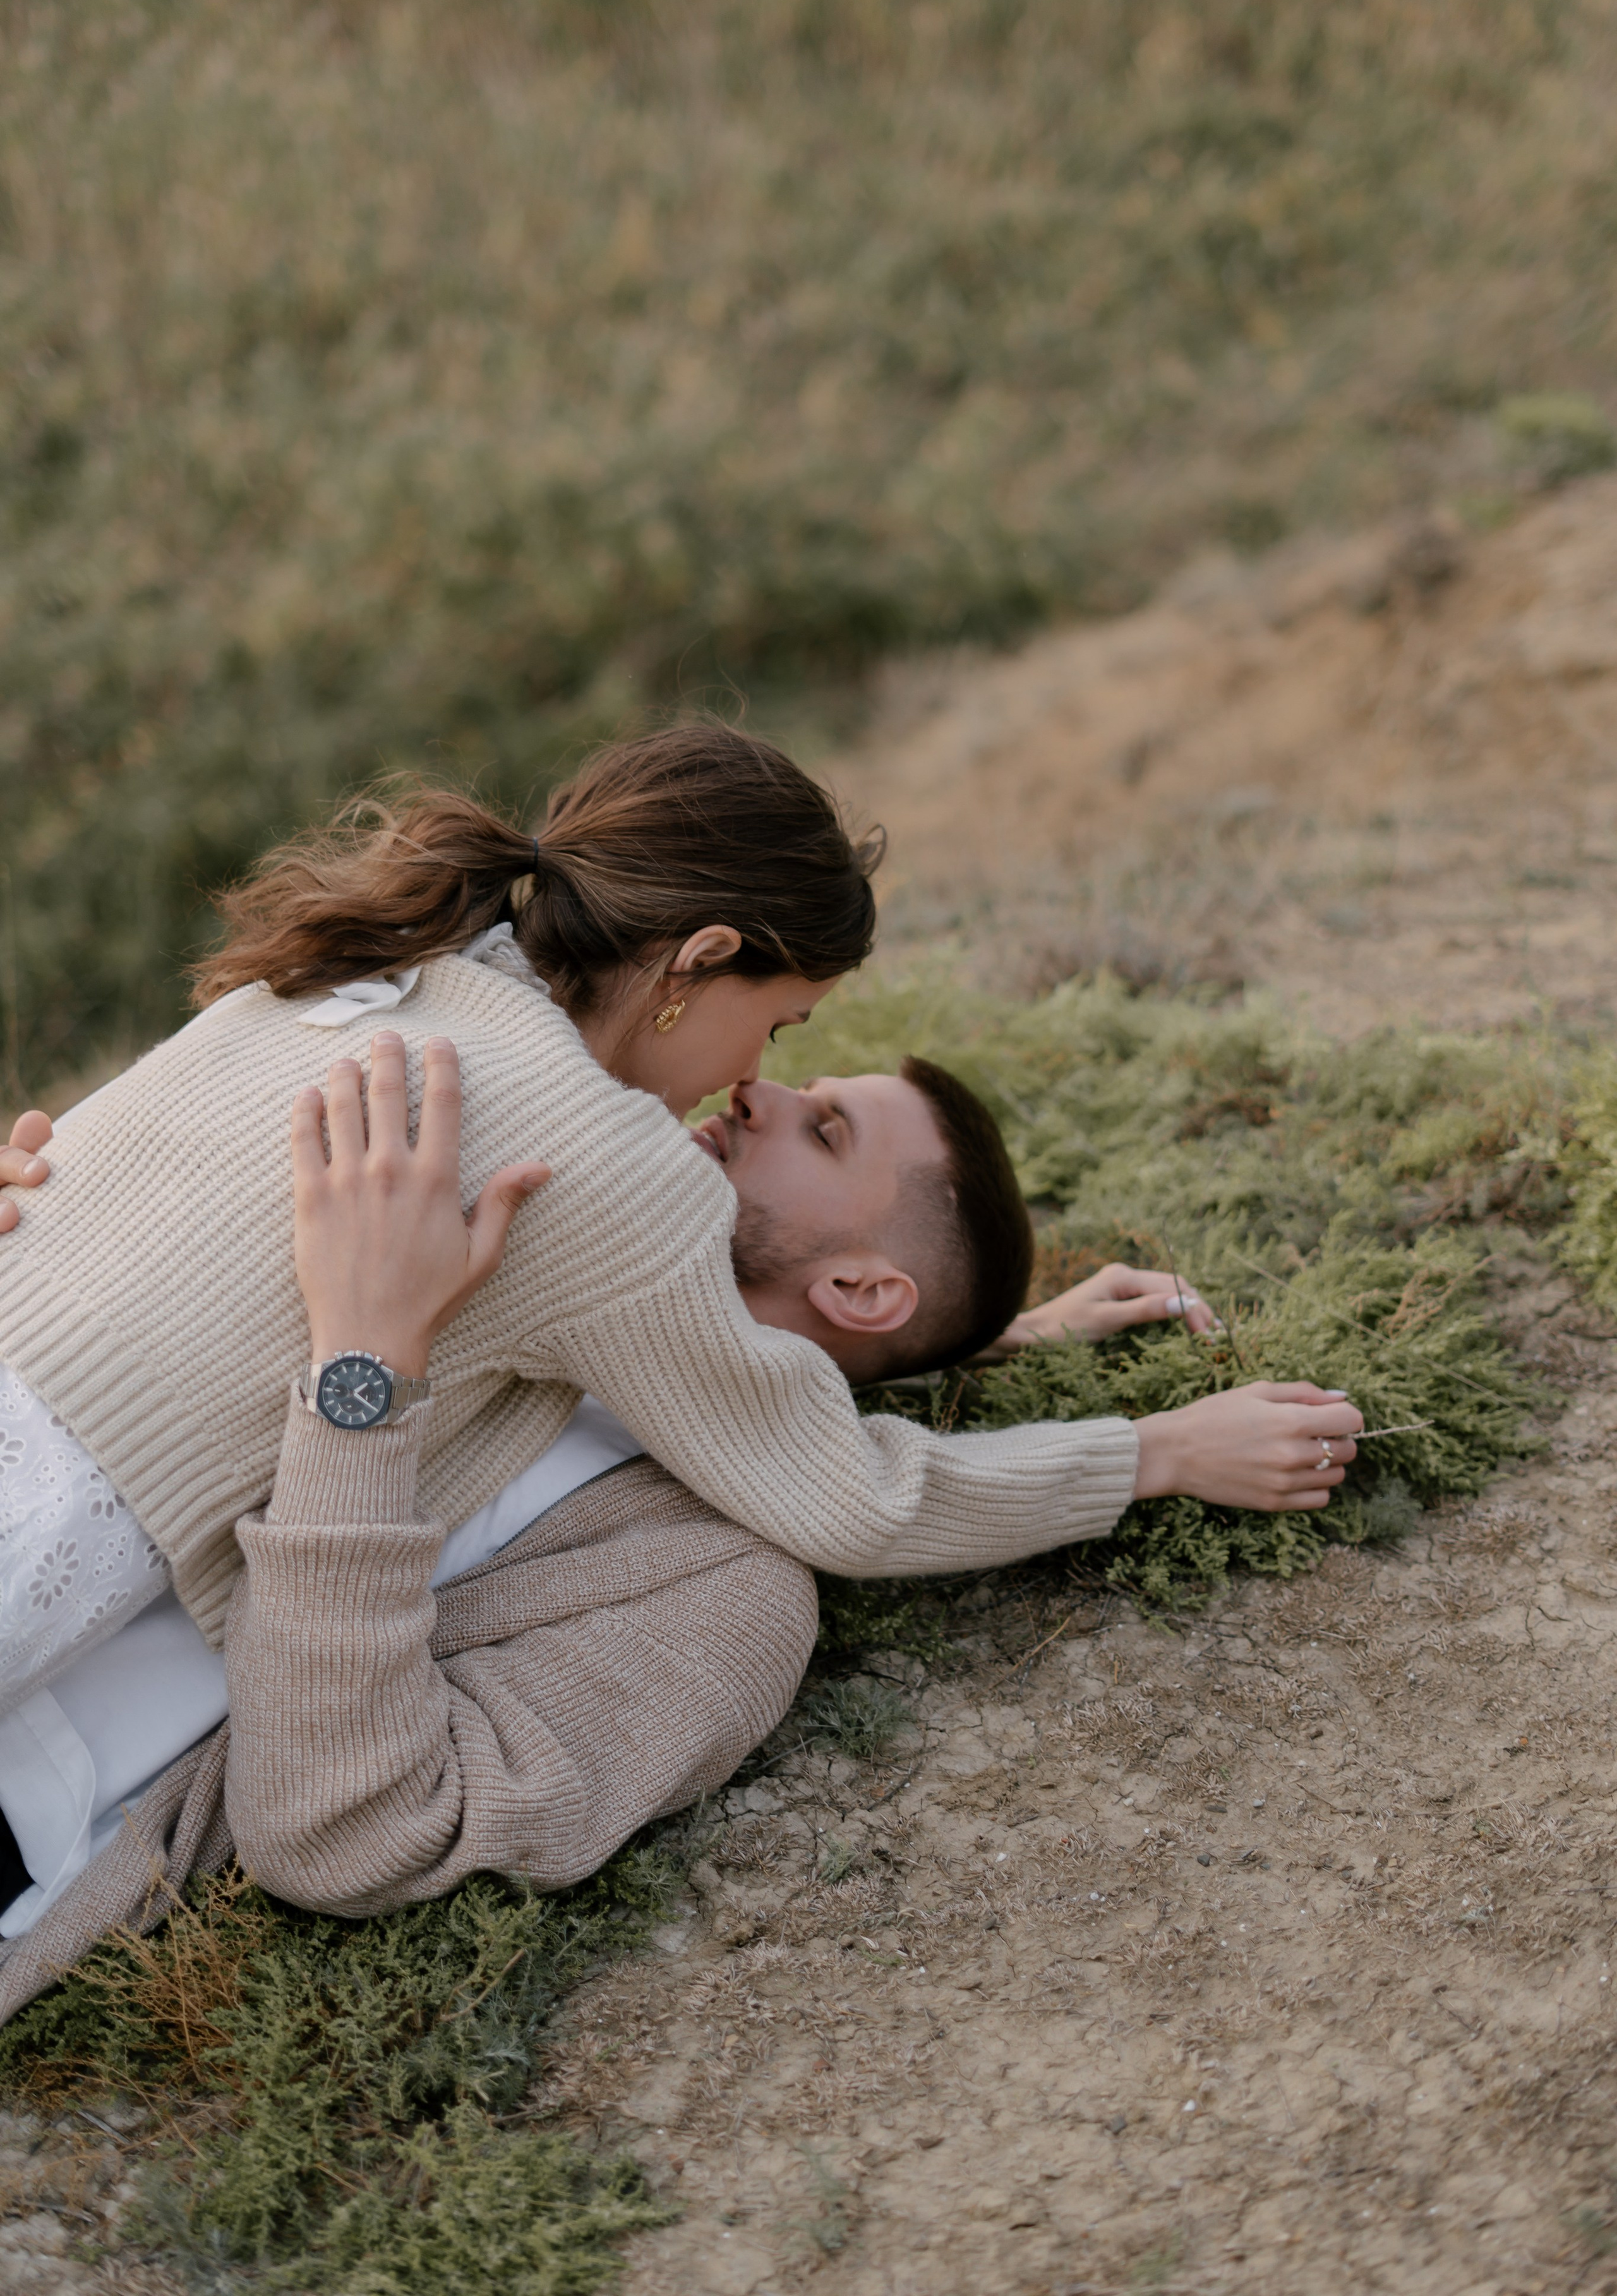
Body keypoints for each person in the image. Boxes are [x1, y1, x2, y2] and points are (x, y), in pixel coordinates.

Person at [0, 722, 1354, 1715]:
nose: (754, 1073)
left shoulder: (378, 958)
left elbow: (710, 1354)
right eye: (776, 1022)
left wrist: (1004, 1338)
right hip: (42, 1512)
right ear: (698, 961)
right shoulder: (608, 1161)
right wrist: (1157, 1451)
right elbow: (851, 1497)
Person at [0, 1042, 1361, 2024]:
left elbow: (347, 1832)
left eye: (822, 1132)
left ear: (862, 1283)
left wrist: (366, 1372)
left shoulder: (724, 1592)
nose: (758, 1087)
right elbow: (720, 1350)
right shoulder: (510, 1262)